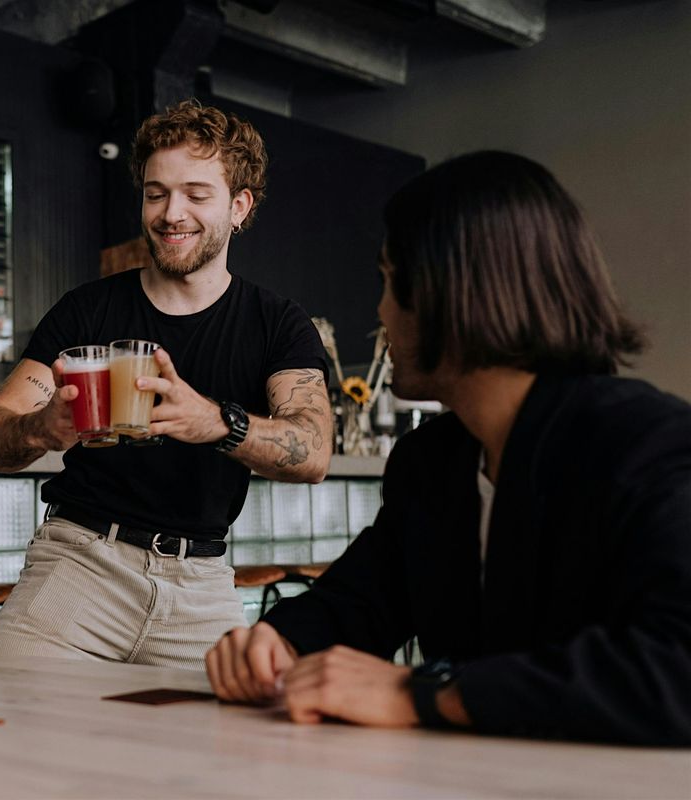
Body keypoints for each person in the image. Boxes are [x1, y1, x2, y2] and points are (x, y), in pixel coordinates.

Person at [205, 151, 691, 746]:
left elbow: (676, 666)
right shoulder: (431, 462)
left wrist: (421, 692)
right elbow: (360, 600)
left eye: (388, 279)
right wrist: (275, 642)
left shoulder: (649, 446)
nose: (381, 311)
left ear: (450, 292)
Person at [0, 100, 332, 669]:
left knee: (238, 723)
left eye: (196, 194)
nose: (171, 213)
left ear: (239, 207)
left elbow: (313, 450)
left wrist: (216, 423)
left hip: (202, 583)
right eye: (156, 193)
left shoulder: (277, 323)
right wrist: (40, 427)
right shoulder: (86, 310)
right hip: (79, 566)